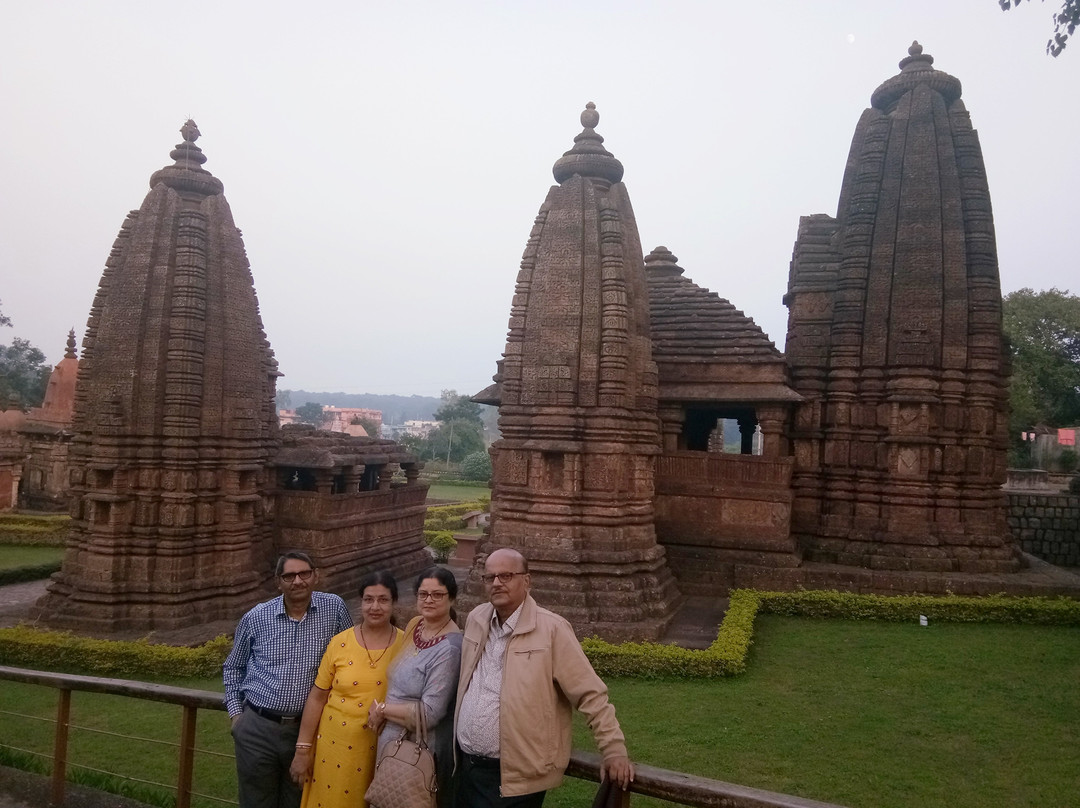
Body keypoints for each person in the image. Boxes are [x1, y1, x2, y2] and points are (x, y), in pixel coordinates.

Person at [454, 548, 635, 807]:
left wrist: (614, 749)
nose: (496, 583)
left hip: (516, 777)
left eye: (506, 575)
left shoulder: (551, 629)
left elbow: (590, 694)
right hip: (467, 767)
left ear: (526, 581)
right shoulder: (477, 619)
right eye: (490, 577)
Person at [224, 552, 353, 808]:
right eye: (289, 576)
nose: (298, 581)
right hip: (258, 727)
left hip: (308, 729)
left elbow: (350, 658)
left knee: (299, 800)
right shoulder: (257, 617)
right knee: (256, 801)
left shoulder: (334, 609)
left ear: (315, 576)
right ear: (278, 582)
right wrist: (237, 717)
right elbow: (233, 667)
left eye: (304, 573)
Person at [289, 571, 407, 808]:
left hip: (381, 748)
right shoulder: (340, 643)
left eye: (383, 600)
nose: (375, 606)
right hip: (333, 747)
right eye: (368, 599)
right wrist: (303, 749)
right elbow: (317, 697)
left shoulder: (406, 645)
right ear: (360, 602)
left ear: (394, 603)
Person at [367, 566, 463, 808]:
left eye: (437, 594)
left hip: (418, 750)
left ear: (451, 597)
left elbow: (430, 713)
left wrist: (382, 710)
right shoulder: (415, 625)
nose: (428, 600)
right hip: (391, 740)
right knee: (383, 798)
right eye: (423, 594)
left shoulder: (450, 648)